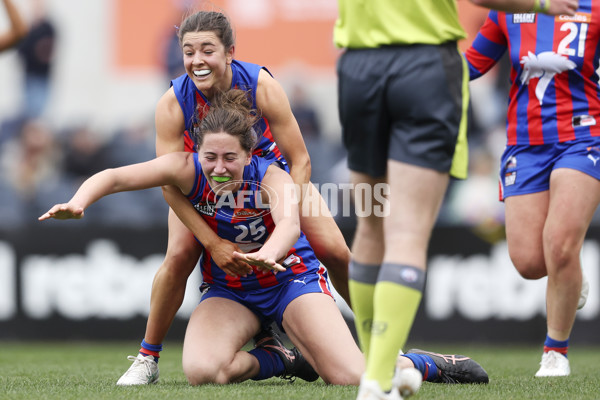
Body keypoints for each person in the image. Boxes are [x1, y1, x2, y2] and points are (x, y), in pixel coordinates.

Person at [39, 89, 489, 391]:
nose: (219, 167)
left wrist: (268, 256)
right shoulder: (185, 169)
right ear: (197, 152)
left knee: (350, 377)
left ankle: (425, 363)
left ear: (248, 154)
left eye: (229, 158)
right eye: (210, 156)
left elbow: (291, 227)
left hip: (289, 281)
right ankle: (283, 359)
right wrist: (80, 201)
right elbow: (116, 176)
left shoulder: (271, 176)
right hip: (230, 291)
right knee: (203, 371)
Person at [334, 0, 579, 398]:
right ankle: (377, 381)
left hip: (358, 65)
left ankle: (381, 369)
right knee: (408, 233)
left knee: (370, 226)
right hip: (424, 65)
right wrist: (541, 5)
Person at [112, 9, 352, 386]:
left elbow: (301, 159)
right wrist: (212, 241)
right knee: (178, 256)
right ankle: (148, 358)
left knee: (336, 251)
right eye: (189, 51)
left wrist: (289, 210)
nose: (197, 60)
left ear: (230, 52)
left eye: (207, 50)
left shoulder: (261, 84)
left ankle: (384, 343)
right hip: (206, 188)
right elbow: (169, 184)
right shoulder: (172, 104)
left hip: (272, 182)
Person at [465, 1, 596, 377]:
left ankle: (555, 352)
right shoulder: (508, 8)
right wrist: (423, 64)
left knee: (559, 243)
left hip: (585, 136)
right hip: (524, 143)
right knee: (529, 262)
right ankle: (571, 266)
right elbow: (473, 64)